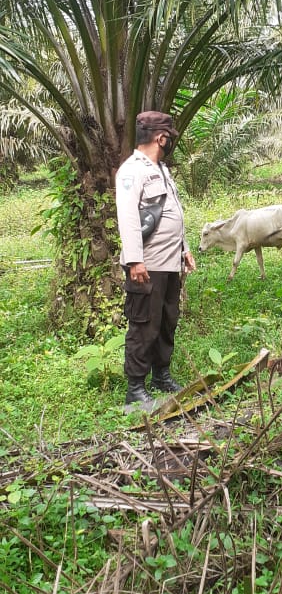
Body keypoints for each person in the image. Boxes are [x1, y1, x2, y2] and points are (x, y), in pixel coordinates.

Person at [115, 111, 196, 413]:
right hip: (147, 265)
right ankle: (135, 391)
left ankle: (162, 376)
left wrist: (184, 248)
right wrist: (135, 260)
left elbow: (172, 212)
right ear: (161, 138)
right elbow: (128, 219)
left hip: (169, 262)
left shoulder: (160, 168)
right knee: (144, 326)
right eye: (169, 138)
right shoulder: (131, 171)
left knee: (166, 322)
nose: (170, 142)